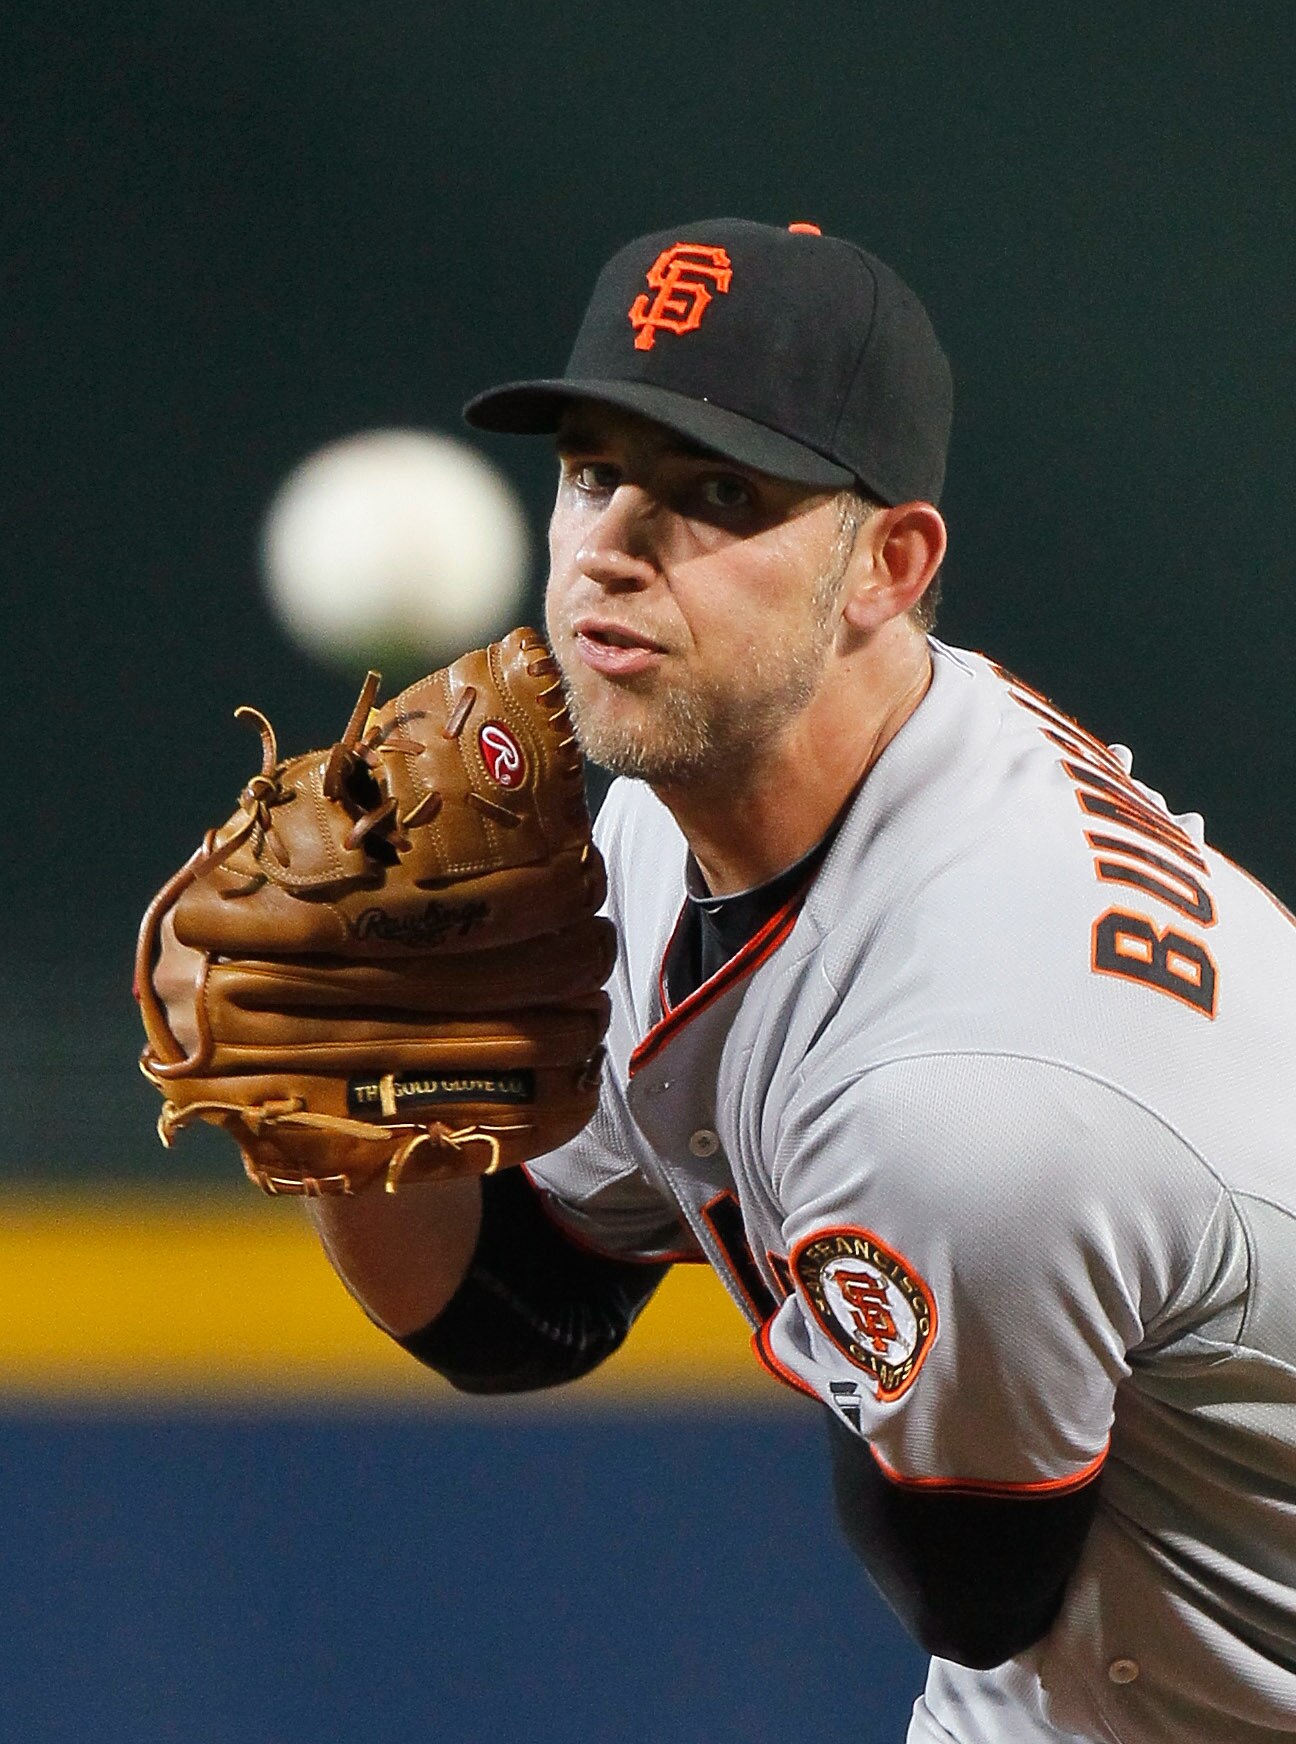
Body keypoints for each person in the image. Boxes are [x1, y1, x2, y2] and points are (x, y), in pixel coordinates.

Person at [304, 219, 1296, 1742]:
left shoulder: (966, 1094)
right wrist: (348, 1098)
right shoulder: (681, 819)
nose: (616, 546)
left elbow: (975, 1583)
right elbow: (527, 1305)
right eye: (591, 471)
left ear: (886, 567)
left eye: (718, 493)